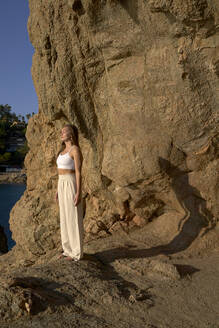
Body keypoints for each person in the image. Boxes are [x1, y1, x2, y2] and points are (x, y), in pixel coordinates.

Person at [55, 124, 84, 261]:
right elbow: (59, 172)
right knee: (65, 218)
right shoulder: (61, 152)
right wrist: (57, 190)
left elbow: (78, 172)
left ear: (71, 133)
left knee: (73, 217)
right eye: (61, 132)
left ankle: (76, 252)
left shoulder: (75, 150)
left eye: (64, 131)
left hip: (71, 182)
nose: (62, 133)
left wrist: (78, 192)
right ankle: (67, 250)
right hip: (61, 183)